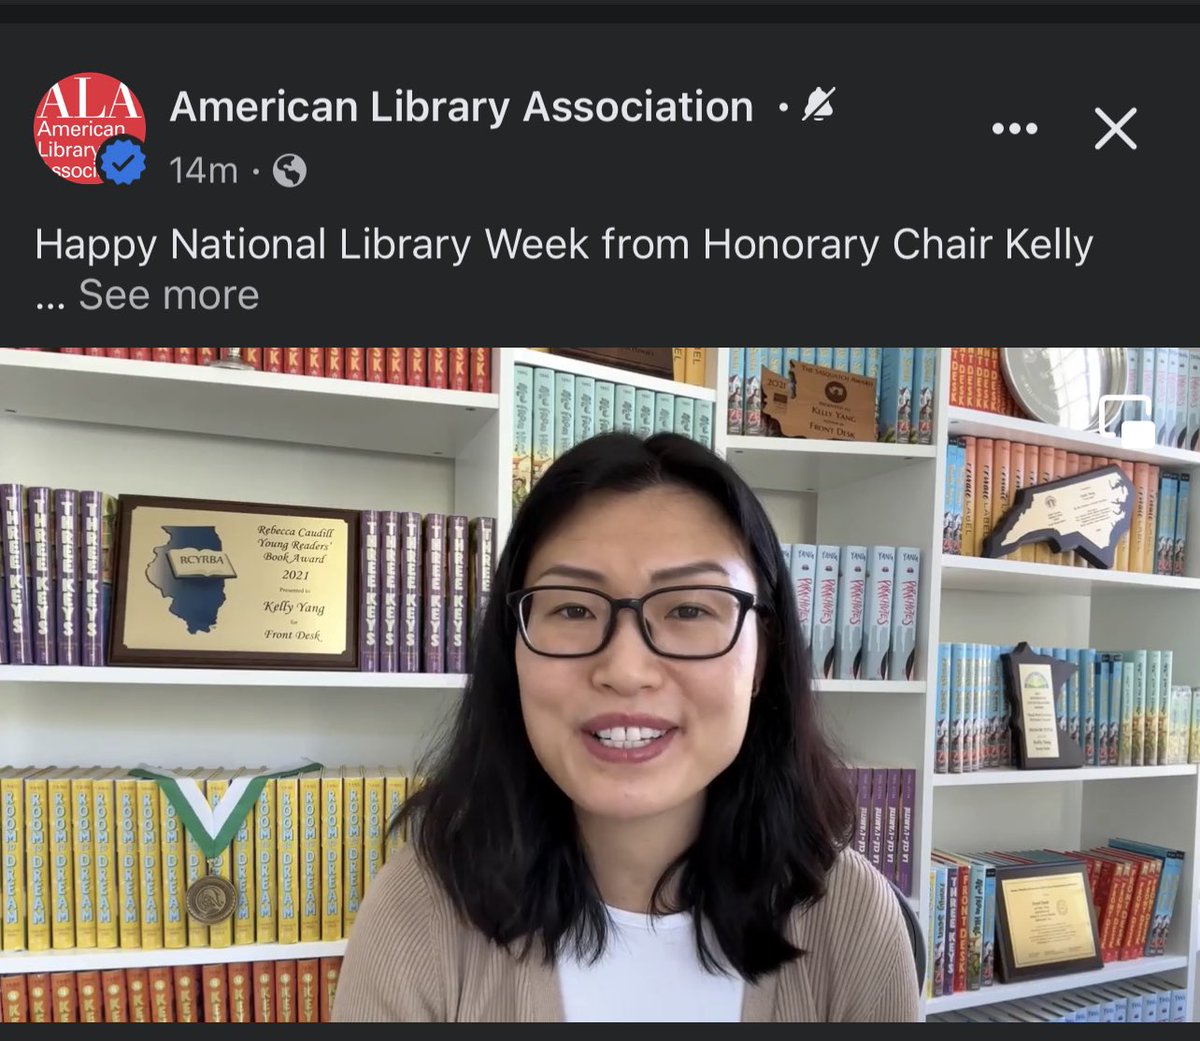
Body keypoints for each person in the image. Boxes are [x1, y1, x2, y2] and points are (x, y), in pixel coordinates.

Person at [333, 431, 921, 1022]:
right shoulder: (422, 909)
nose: (625, 670)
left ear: (763, 655)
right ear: (512, 650)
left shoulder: (850, 916)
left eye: (689, 609)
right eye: (572, 608)